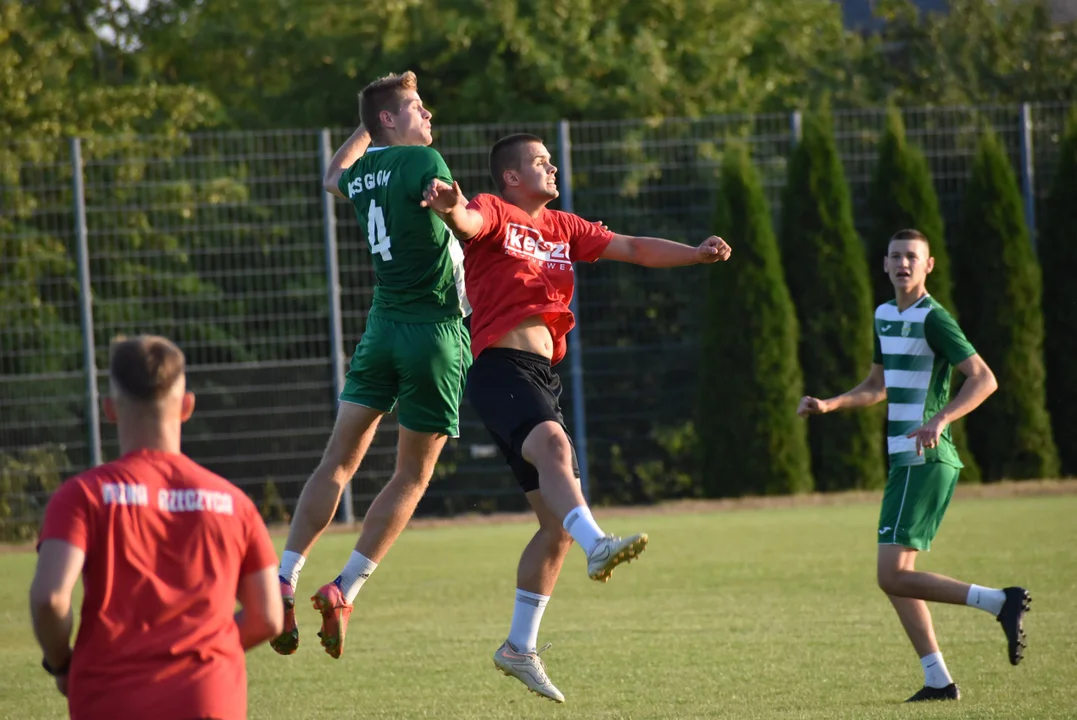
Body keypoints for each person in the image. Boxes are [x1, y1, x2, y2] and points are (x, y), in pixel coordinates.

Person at [421, 133, 732, 703]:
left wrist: (695, 253)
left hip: (541, 377)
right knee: (555, 450)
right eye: (540, 161)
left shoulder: (564, 226)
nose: (553, 167)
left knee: (554, 527)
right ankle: (599, 545)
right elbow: (467, 222)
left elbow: (632, 247)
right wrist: (450, 209)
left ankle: (519, 647)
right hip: (501, 368)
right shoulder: (495, 209)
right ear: (511, 177)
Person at [271, 70, 471, 659]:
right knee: (411, 475)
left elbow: (331, 175)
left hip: (381, 329)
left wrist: (366, 127)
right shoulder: (423, 161)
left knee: (337, 461)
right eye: (416, 106)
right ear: (390, 119)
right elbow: (457, 213)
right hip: (433, 331)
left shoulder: (363, 173)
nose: (428, 115)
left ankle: (283, 576)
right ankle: (344, 588)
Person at [796, 229, 1031, 703]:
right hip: (905, 461)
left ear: (929, 265)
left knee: (891, 575)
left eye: (912, 257)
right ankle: (938, 680)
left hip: (926, 457)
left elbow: (984, 379)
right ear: (884, 264)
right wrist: (830, 404)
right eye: (896, 256)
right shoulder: (885, 315)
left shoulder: (934, 318)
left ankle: (999, 601)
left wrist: (940, 419)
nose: (903, 263)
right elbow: (877, 386)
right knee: (897, 578)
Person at [29, 335, 282, 720]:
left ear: (110, 409)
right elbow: (268, 616)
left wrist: (61, 664)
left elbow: (50, 598)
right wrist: (203, 649)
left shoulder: (82, 496)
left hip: (111, 697)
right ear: (187, 406)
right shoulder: (233, 503)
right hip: (208, 698)